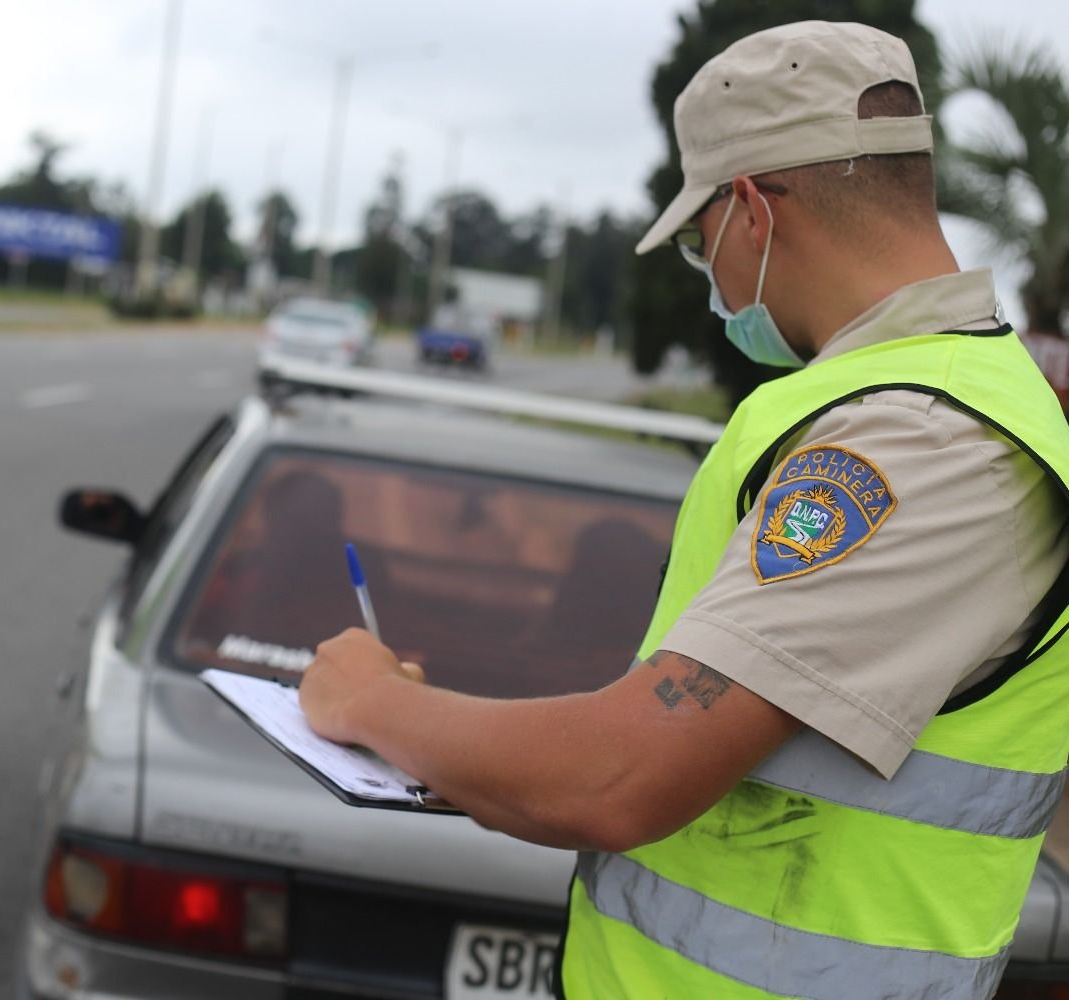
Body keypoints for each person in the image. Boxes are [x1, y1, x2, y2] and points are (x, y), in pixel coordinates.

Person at [299, 21, 1069, 999]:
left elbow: (620, 774)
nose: (709, 278)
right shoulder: (908, 404)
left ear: (751, 207)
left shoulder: (923, 437)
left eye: (700, 242)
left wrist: (374, 702)